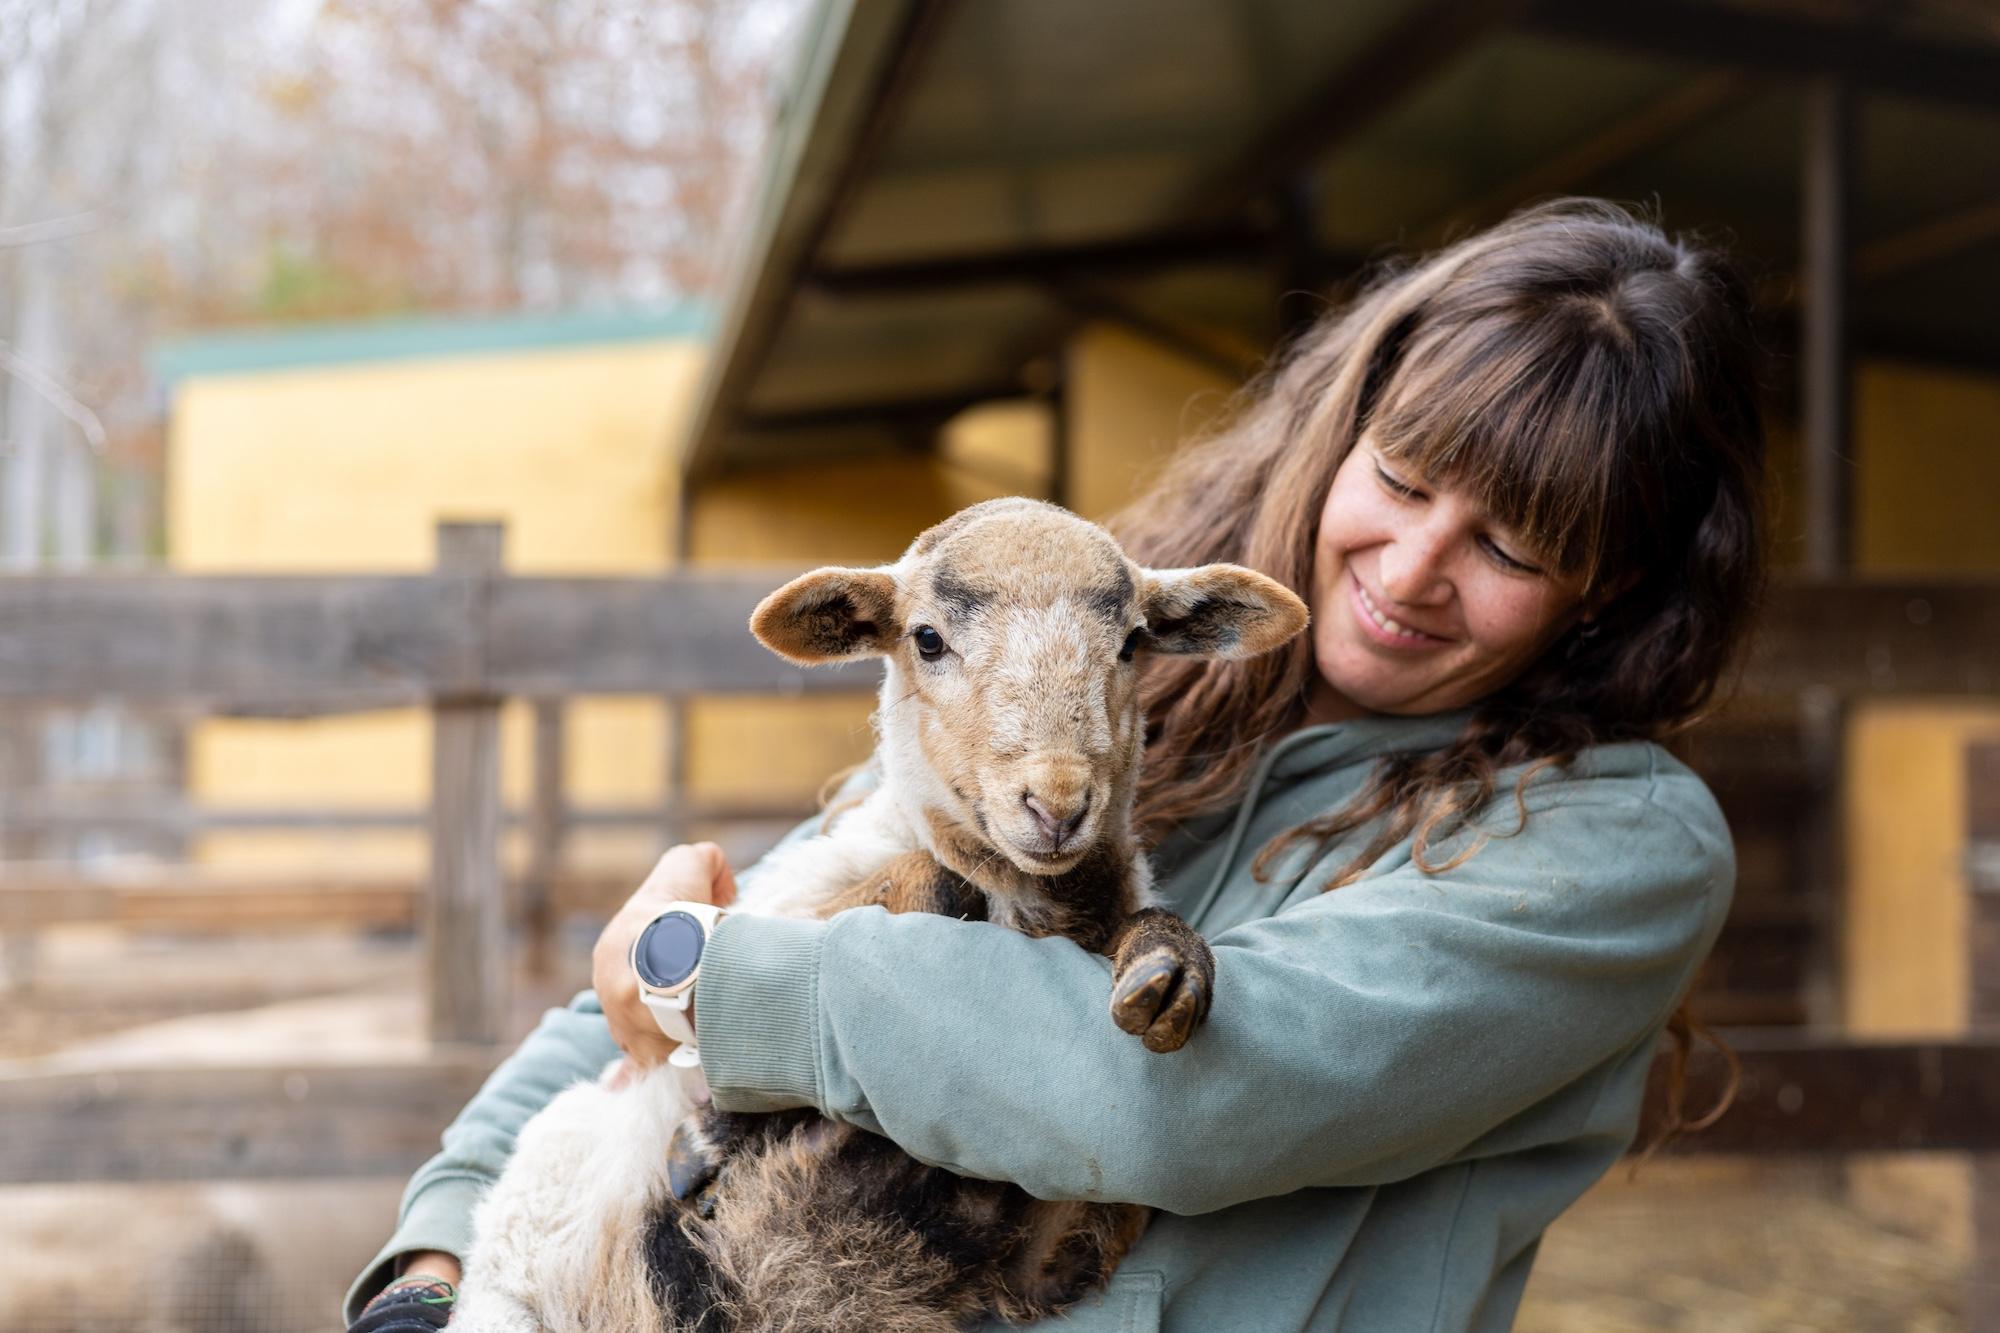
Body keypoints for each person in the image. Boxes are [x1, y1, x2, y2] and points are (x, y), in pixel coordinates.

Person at [345, 198, 1765, 1332]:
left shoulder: (1614, 849)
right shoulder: (1091, 685)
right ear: (1346, 429)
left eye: (1511, 546)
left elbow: (1186, 1093)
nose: (1410, 569)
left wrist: (719, 978)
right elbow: (705, 952)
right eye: (1399, 478)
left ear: (1614, 585)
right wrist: (438, 1254)